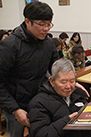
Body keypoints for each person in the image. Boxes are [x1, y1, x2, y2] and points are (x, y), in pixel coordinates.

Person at [0, 2, 59, 137]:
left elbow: (56, 69)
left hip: (40, 101)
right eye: (41, 24)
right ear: (27, 21)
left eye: (48, 24)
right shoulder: (9, 46)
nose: (46, 29)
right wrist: (15, 109)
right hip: (16, 104)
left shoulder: (48, 43)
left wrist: (70, 80)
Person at [28, 58, 91, 137]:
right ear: (52, 81)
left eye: (72, 81)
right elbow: (41, 134)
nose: (68, 86)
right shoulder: (38, 103)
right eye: (63, 82)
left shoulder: (78, 94)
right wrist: (67, 121)